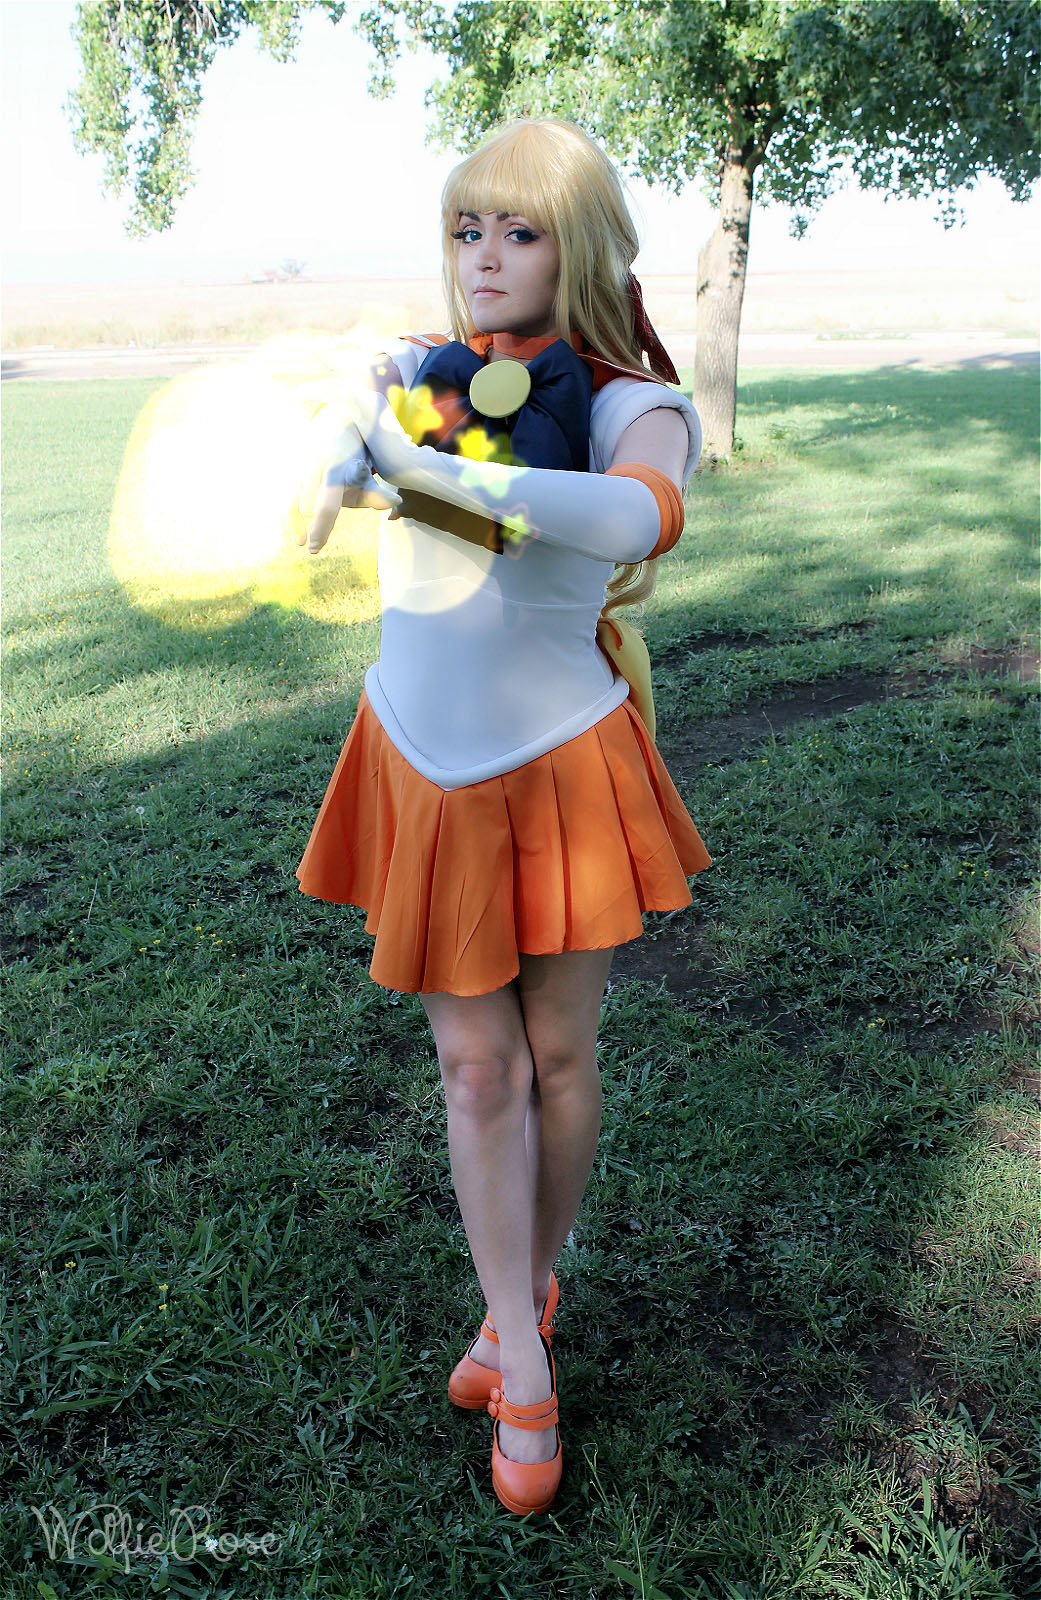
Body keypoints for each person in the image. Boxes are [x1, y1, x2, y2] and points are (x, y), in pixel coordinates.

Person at [293, 116, 711, 1517]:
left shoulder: (632, 401)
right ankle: (522, 1359)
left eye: (519, 230)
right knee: (477, 1072)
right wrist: (352, 440)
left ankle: (520, 1298)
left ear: (576, 245)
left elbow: (630, 520)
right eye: (467, 228)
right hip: (421, 754)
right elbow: (377, 442)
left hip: (558, 758)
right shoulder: (421, 373)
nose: (484, 256)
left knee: (557, 1053)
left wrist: (424, 471)